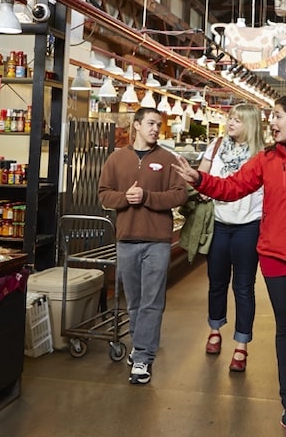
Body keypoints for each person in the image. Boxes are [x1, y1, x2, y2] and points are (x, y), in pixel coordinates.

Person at [172, 95, 286, 437]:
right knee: (285, 331)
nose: (271, 123)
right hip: (274, 259)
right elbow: (232, 188)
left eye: (276, 117)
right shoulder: (266, 159)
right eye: (270, 117)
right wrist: (200, 179)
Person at [99, 107, 188, 386]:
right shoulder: (116, 159)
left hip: (157, 242)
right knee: (134, 301)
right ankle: (140, 345)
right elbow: (103, 194)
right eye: (150, 123)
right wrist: (125, 197)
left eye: (157, 124)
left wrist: (147, 196)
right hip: (126, 240)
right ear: (135, 125)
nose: (155, 129)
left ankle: (143, 357)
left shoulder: (168, 159)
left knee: (152, 301)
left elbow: (180, 194)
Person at [197, 103, 265, 373]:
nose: (231, 123)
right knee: (216, 282)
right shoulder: (216, 146)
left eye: (237, 119)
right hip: (219, 223)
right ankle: (215, 329)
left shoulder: (262, 154)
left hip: (249, 225)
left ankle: (241, 346)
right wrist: (200, 185)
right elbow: (201, 175)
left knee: (244, 287)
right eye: (230, 118)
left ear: (250, 123)